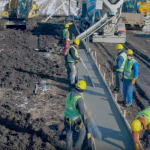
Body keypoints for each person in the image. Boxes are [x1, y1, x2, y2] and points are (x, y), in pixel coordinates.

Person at [64, 80, 87, 150]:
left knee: (69, 132)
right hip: (75, 120)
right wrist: (84, 121)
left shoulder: (69, 94)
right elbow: (82, 112)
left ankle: (69, 148)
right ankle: (77, 147)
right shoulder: (79, 99)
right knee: (83, 132)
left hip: (67, 117)